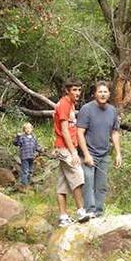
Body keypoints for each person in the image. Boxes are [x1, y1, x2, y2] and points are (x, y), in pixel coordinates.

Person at [76, 81, 122, 218]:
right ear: (95, 93)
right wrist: (86, 154)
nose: (102, 94)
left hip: (104, 154)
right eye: (100, 91)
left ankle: (99, 212)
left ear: (109, 93)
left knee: (101, 186)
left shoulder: (112, 111)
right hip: (88, 154)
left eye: (105, 92)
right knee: (88, 183)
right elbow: (79, 133)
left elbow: (114, 132)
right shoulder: (86, 109)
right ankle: (90, 212)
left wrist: (118, 153)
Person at [53, 78, 90, 226]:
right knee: (78, 175)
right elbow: (64, 130)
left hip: (63, 147)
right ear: (67, 90)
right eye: (74, 90)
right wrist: (73, 152)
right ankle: (81, 211)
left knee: (62, 184)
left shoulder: (70, 104)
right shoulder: (64, 104)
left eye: (79, 90)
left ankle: (63, 217)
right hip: (66, 148)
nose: (78, 93)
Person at [14, 122, 40, 187]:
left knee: (30, 171)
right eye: (26, 128)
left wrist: (41, 150)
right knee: (25, 171)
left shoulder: (34, 137)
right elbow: (16, 143)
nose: (28, 129)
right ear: (24, 130)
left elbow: (36, 146)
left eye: (29, 128)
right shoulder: (22, 137)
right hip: (24, 157)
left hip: (32, 156)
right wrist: (17, 136)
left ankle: (29, 183)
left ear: (32, 129)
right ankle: (25, 185)